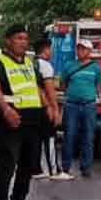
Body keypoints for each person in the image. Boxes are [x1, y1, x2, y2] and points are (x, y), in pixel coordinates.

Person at [0, 25, 59, 200]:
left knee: (28, 163)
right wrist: (6, 110)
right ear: (9, 40)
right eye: (18, 38)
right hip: (10, 120)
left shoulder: (29, 62)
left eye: (25, 38)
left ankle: (19, 197)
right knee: (8, 162)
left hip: (32, 120)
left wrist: (48, 107)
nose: (22, 42)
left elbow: (36, 88)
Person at [57, 38, 101, 179]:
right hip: (72, 105)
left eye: (83, 49)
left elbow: (98, 85)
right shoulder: (69, 65)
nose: (80, 51)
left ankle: (86, 168)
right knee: (69, 136)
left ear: (89, 51)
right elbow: (62, 83)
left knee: (88, 137)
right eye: (78, 48)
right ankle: (65, 168)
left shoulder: (95, 68)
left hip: (89, 106)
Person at [32, 39, 64, 180]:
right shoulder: (45, 66)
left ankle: (36, 170)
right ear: (45, 50)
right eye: (50, 49)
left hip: (33, 107)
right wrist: (54, 108)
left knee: (36, 139)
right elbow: (49, 90)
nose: (51, 52)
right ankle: (55, 171)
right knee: (50, 138)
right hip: (44, 108)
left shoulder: (31, 64)